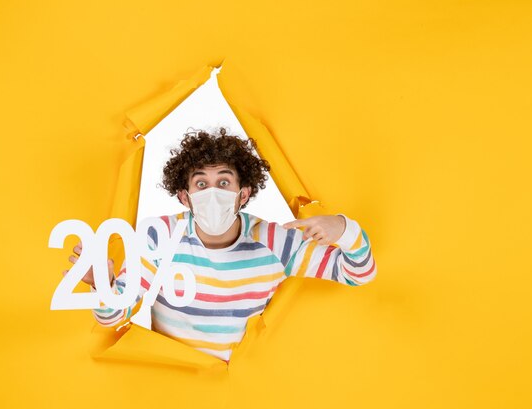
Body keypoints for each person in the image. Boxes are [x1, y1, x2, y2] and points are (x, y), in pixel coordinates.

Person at [64, 128, 377, 362]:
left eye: (224, 182)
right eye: (201, 184)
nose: (212, 193)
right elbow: (112, 318)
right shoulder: (159, 236)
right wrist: (102, 285)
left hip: (238, 390)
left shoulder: (274, 241)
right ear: (184, 196)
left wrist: (342, 228)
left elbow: (357, 274)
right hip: (173, 382)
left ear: (243, 194)